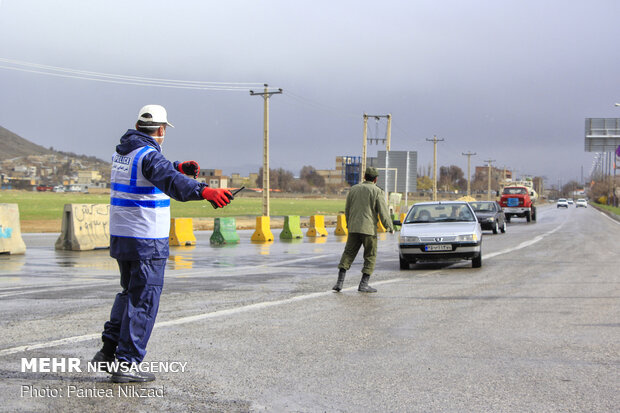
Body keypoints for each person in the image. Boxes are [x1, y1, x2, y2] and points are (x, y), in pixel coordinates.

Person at [92, 104, 234, 383]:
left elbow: (156, 171)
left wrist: (179, 166)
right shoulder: (149, 155)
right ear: (160, 129)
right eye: (164, 130)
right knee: (143, 300)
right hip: (146, 239)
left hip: (123, 235)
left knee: (128, 293)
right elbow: (167, 179)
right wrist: (205, 190)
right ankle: (127, 364)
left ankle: (108, 352)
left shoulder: (123, 151)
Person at [333, 167, 393, 293]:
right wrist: (389, 226)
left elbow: (347, 209)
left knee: (348, 253)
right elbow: (383, 211)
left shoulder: (354, 189)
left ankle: (339, 282)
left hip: (354, 228)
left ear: (364, 177)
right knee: (370, 256)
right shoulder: (377, 191)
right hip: (369, 229)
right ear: (375, 179)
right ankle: (363, 284)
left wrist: (349, 224)